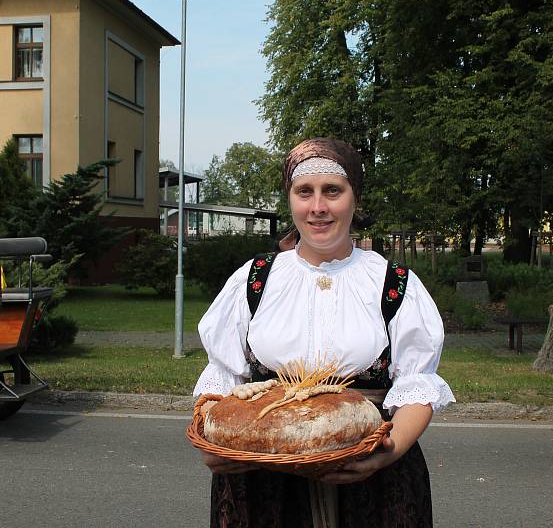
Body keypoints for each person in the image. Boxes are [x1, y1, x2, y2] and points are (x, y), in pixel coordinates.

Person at [193, 138, 454, 527]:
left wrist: (389, 451)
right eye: (305, 192)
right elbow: (222, 378)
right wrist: (213, 440)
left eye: (332, 190)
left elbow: (418, 383)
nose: (318, 207)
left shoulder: (393, 283)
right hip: (265, 483)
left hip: (372, 481)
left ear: (354, 198)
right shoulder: (255, 279)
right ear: (291, 200)